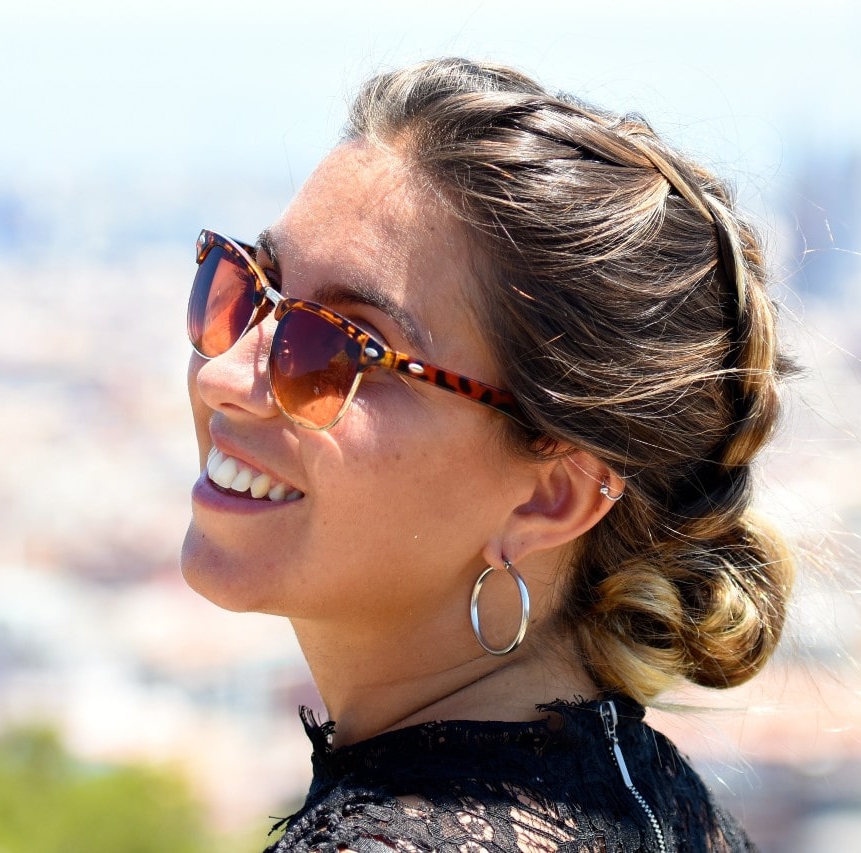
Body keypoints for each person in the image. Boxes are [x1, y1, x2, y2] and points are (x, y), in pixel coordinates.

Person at [181, 57, 795, 852]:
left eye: (341, 347)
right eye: (247, 286)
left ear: (553, 498)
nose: (228, 376)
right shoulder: (675, 812)